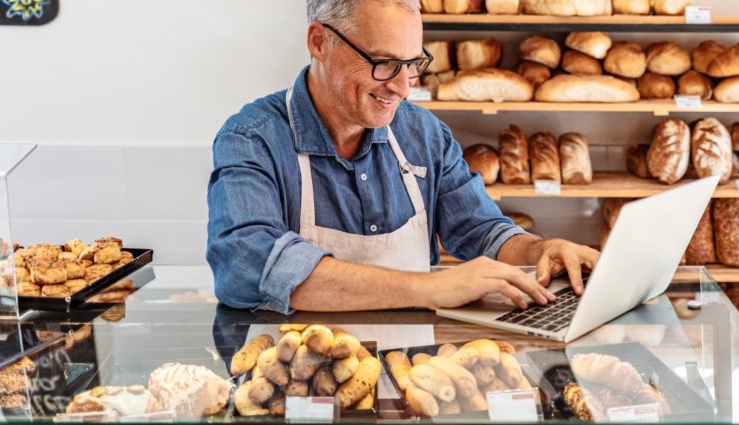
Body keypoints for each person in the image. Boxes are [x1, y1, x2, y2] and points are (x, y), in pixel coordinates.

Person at [206, 0, 599, 314]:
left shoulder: (423, 134)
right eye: (383, 63)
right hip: (295, 383)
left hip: (416, 378)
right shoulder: (252, 139)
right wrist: (429, 287)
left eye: (412, 65)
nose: (402, 87)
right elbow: (246, 266)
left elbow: (480, 229)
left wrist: (537, 251)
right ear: (319, 41)